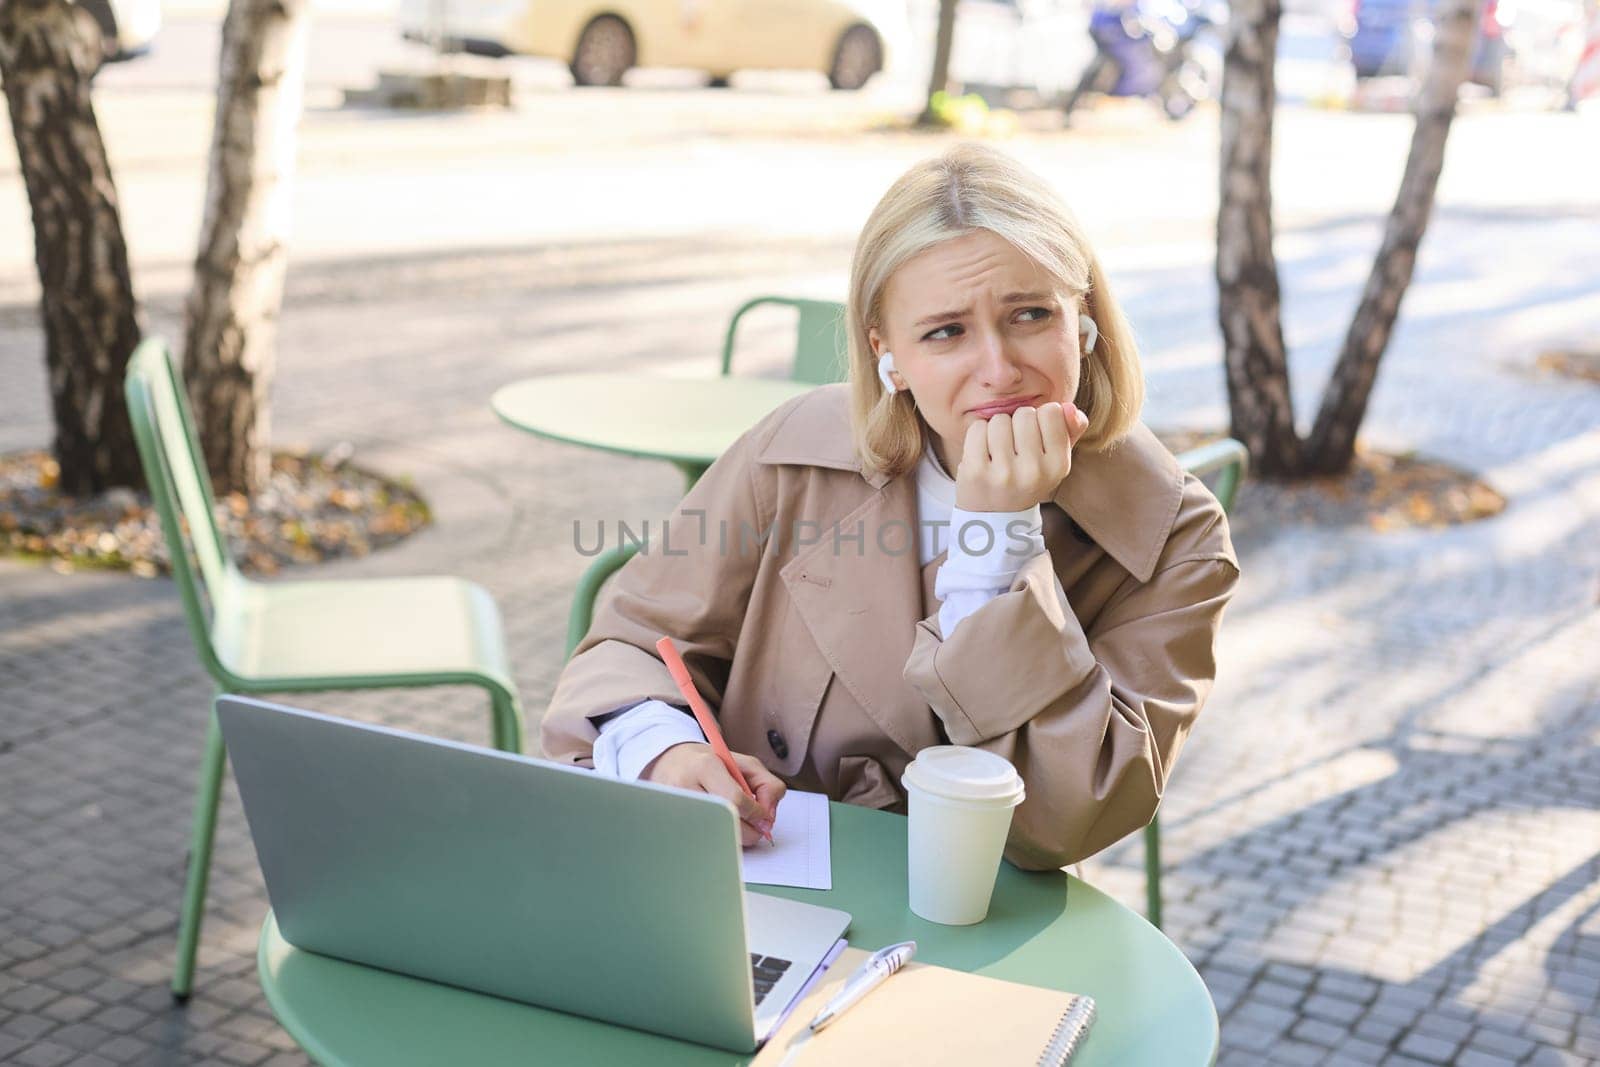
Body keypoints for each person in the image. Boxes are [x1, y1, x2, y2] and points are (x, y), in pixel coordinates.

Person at [541, 143, 1239, 871]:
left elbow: (1070, 815)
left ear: (1083, 321)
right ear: (888, 354)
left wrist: (997, 544)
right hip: (757, 883)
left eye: (1030, 314)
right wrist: (667, 749)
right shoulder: (793, 452)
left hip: (982, 916)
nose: (998, 369)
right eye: (945, 332)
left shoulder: (1174, 534)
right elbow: (631, 642)